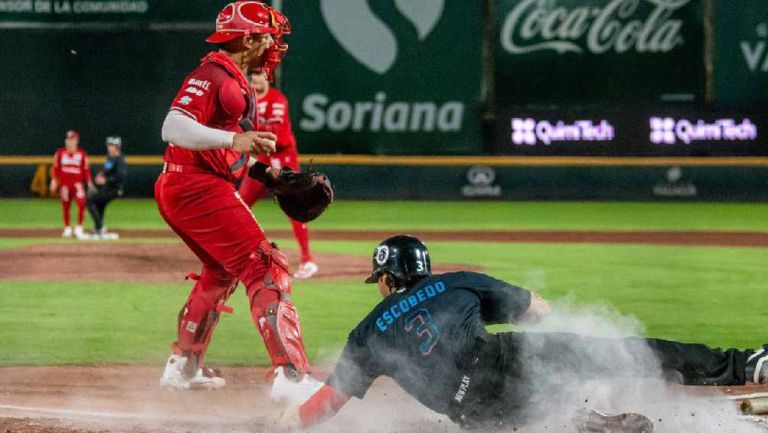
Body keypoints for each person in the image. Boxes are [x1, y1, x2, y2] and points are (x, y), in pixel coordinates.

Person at [288, 235, 768, 430]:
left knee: (535, 418)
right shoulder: (455, 281)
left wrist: (284, 424)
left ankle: (587, 423)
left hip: (474, 415)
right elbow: (537, 309)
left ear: (387, 281)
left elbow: (324, 407)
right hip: (505, 361)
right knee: (629, 353)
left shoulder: (368, 331)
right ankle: (748, 365)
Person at [155, 1, 319, 400]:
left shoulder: (233, 76)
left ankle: (184, 367)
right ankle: (291, 377)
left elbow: (229, 153)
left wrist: (269, 175)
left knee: (221, 271)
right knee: (266, 263)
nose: (272, 44)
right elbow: (172, 126)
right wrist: (235, 139)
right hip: (195, 186)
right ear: (247, 38)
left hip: (190, 184)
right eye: (267, 36)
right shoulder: (215, 75)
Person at [239, 70, 318, 280]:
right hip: (261, 160)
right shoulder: (246, 100)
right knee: (239, 205)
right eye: (252, 75)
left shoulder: (277, 98)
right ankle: (233, 254)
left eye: (259, 74)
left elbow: (277, 136)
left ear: (267, 78)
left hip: (283, 160)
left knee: (295, 207)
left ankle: (307, 260)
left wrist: (254, 130)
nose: (255, 78)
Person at [50, 130, 91, 239]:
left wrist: (89, 182)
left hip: (77, 185)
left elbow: (86, 170)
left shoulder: (81, 154)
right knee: (66, 206)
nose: (69, 142)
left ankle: (79, 227)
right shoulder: (60, 153)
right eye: (68, 139)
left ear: (76, 141)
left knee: (82, 203)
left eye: (72, 139)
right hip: (65, 184)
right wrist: (54, 180)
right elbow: (55, 168)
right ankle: (67, 228)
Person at [86, 136, 126, 240]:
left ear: (117, 146)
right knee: (99, 204)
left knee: (90, 201)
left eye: (112, 145)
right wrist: (101, 175)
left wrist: (106, 180)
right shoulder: (110, 158)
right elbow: (106, 171)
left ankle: (100, 227)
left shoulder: (119, 159)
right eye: (109, 145)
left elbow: (121, 176)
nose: (109, 147)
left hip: (115, 189)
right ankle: (99, 229)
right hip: (107, 188)